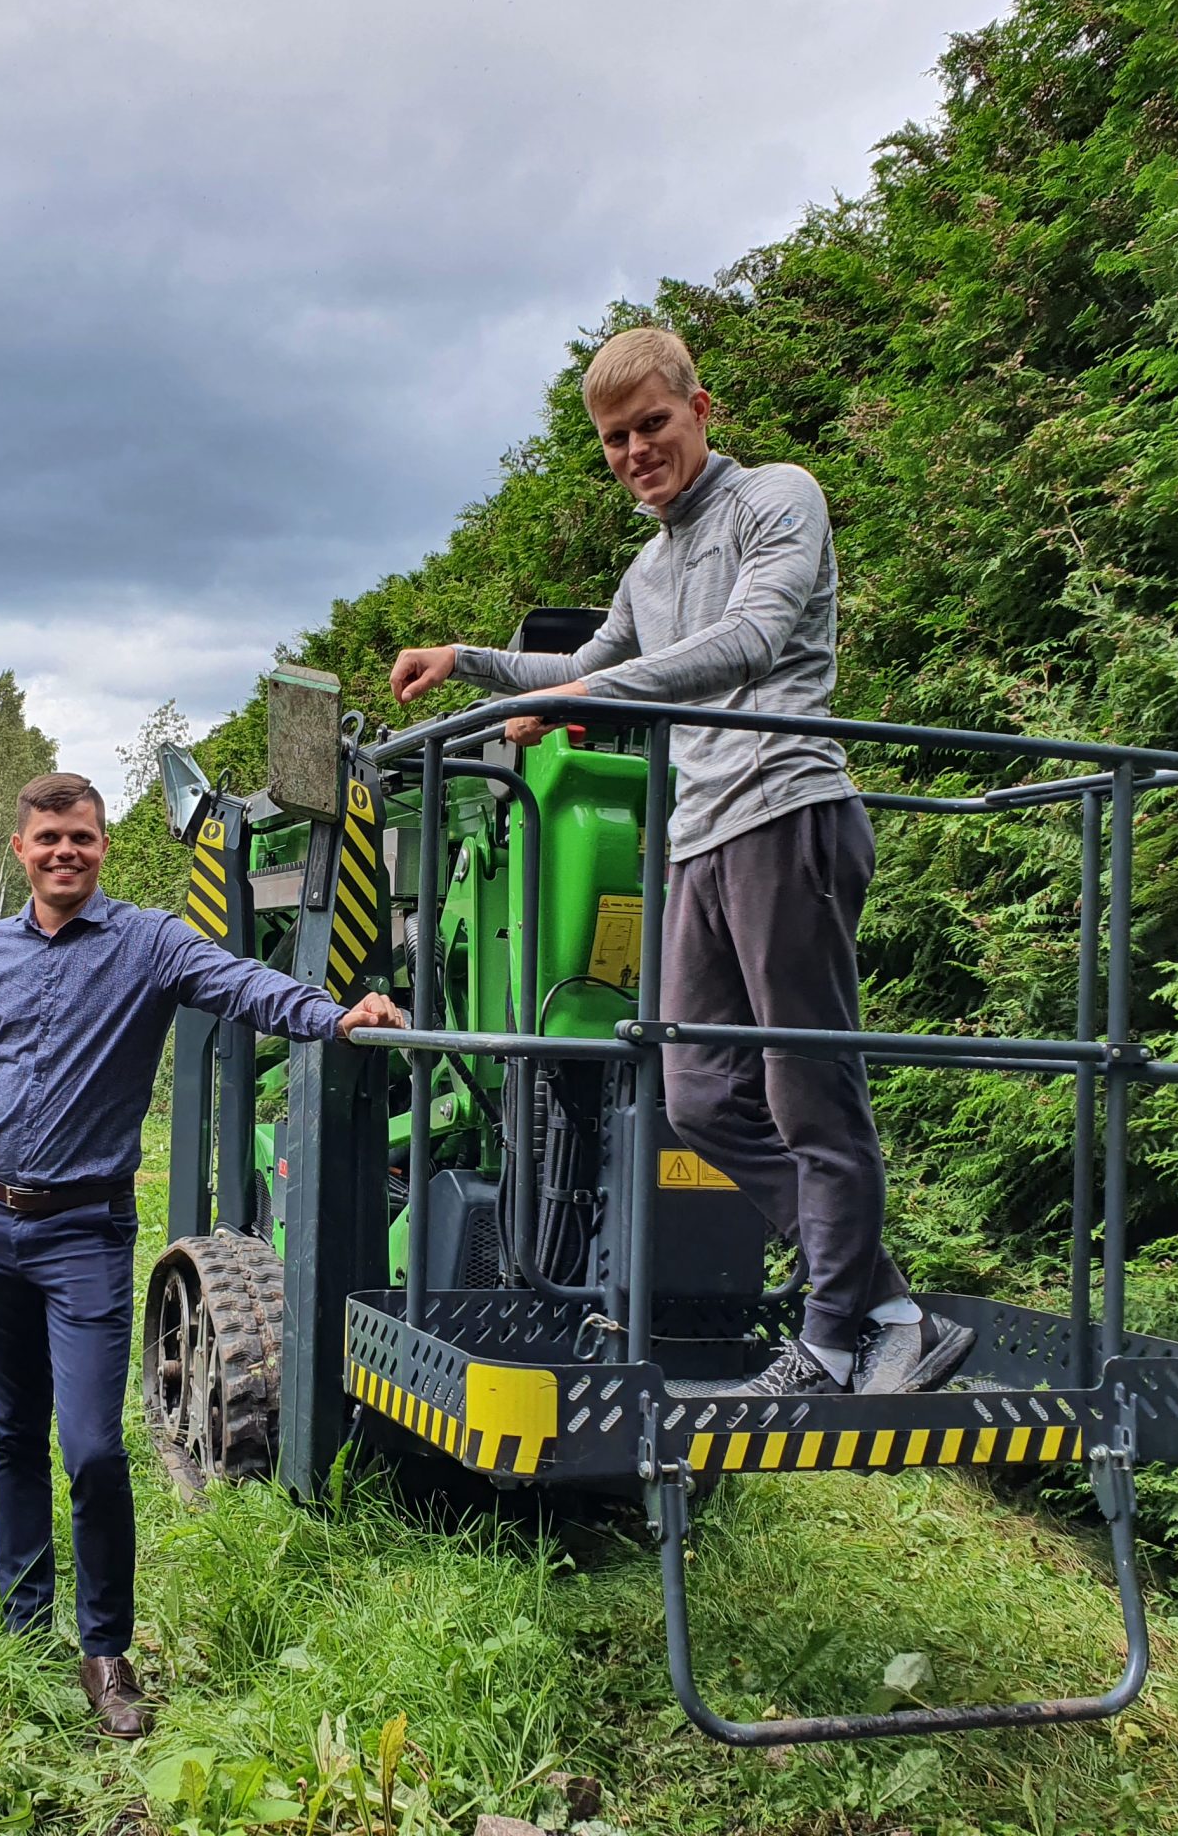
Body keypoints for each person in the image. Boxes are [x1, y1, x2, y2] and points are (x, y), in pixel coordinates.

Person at [389, 325, 972, 1402]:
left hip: (787, 812)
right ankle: (885, 1302)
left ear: (701, 409)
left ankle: (838, 1335)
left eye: (651, 424)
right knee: (699, 1095)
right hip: (696, 838)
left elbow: (749, 642)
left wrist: (576, 701)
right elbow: (588, 664)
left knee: (810, 1089)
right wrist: (469, 662)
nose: (634, 452)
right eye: (613, 439)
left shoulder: (777, 499)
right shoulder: (649, 566)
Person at [0, 771, 405, 1738]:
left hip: (82, 1234)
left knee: (95, 1449)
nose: (67, 852)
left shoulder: (146, 942)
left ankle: (104, 1653)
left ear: (102, 847)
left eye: (85, 839)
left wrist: (335, 1015)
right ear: (22, 849)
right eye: (50, 838)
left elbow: (241, 983)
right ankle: (23, 1630)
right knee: (14, 1432)